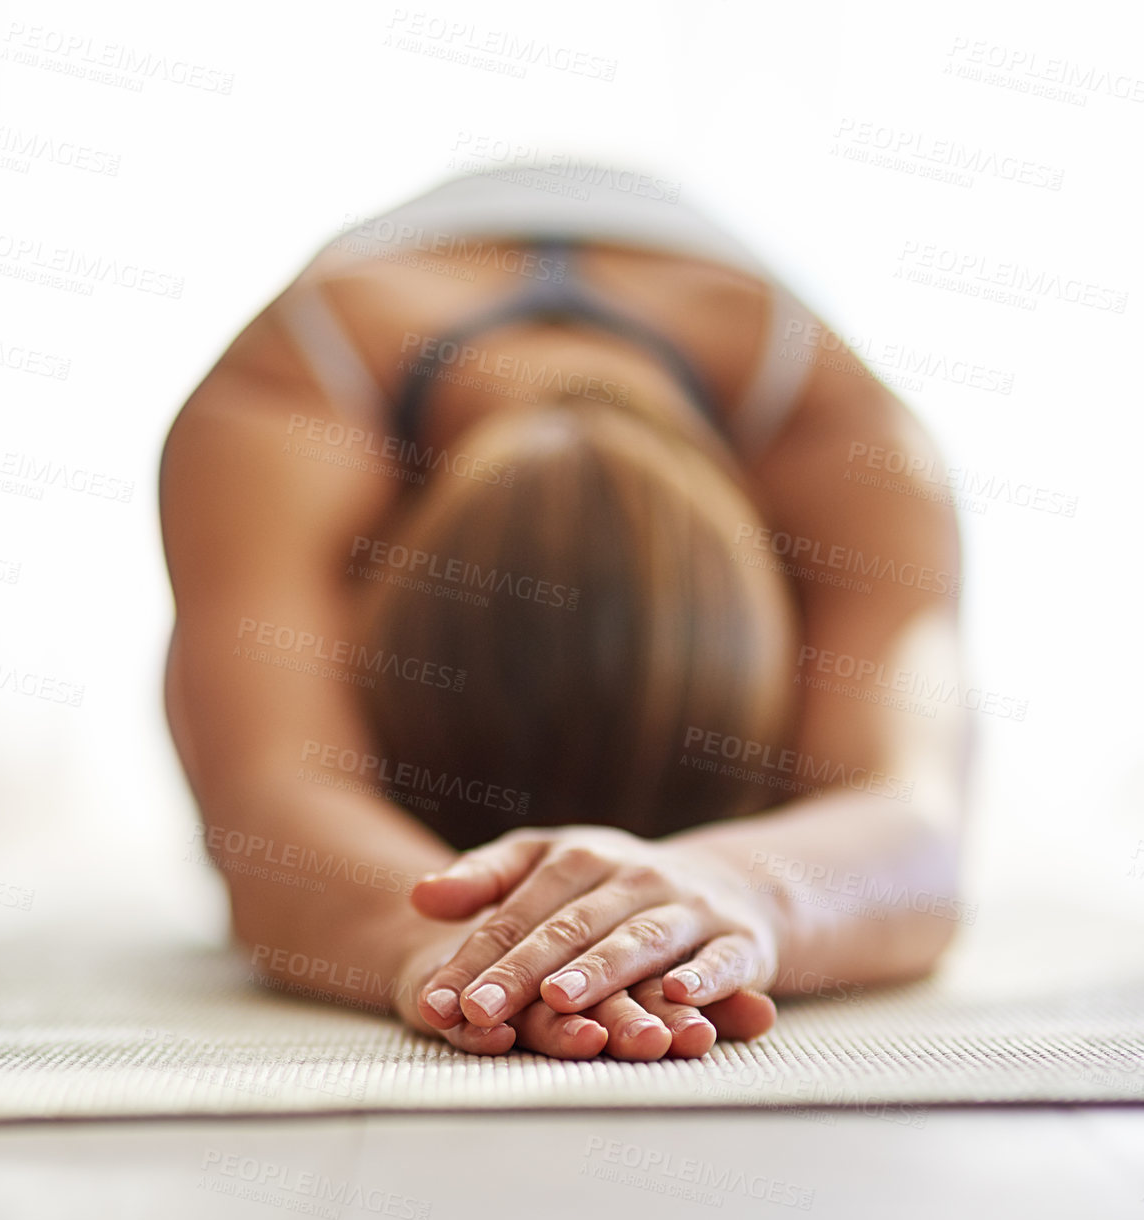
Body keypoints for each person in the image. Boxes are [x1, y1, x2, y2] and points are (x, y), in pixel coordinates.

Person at [159, 163, 968, 1061]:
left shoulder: (836, 424)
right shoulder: (288, 390)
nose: (571, 883)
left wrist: (740, 888)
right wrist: (450, 947)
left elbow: (917, 826)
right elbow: (267, 801)